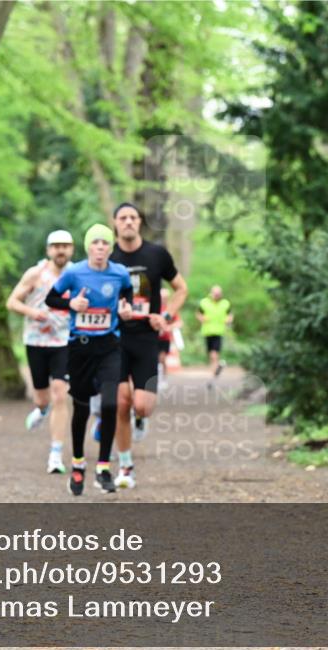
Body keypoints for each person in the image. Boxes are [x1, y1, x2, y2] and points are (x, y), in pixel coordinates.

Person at [45, 224, 133, 495]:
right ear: (88, 247)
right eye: (95, 243)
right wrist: (70, 305)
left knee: (110, 404)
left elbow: (127, 292)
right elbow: (51, 298)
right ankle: (79, 464)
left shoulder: (119, 273)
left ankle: (104, 468)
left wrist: (125, 307)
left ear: (110, 247)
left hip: (109, 347)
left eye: (105, 243)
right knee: (81, 408)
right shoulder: (74, 272)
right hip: (80, 348)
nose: (100, 248)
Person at [110, 203, 188, 489]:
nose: (128, 222)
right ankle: (126, 464)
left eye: (133, 217)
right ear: (115, 223)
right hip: (115, 338)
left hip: (146, 339)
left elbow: (182, 288)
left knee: (142, 407)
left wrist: (165, 317)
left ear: (140, 222)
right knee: (121, 402)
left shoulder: (156, 255)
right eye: (123, 218)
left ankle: (140, 419)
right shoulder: (107, 257)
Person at [6, 230, 75, 474]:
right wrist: (31, 312)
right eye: (56, 246)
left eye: (65, 246)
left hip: (65, 342)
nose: (60, 250)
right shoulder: (35, 274)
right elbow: (12, 301)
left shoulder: (77, 274)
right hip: (36, 341)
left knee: (60, 394)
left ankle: (56, 453)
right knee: (43, 397)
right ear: (48, 250)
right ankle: (41, 409)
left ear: (72, 249)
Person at [196, 285, 232, 385]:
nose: (216, 296)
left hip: (219, 332)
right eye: (215, 294)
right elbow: (198, 313)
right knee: (211, 355)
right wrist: (202, 318)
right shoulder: (204, 302)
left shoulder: (225, 303)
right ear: (211, 293)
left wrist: (228, 320)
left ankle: (213, 375)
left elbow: (230, 315)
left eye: (218, 294)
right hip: (207, 332)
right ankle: (216, 371)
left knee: (214, 353)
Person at [156, 288, 182, 392]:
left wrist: (168, 328)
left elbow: (179, 322)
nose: (163, 299)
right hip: (153, 339)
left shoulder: (170, 309)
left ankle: (163, 380)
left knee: (162, 359)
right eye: (162, 297)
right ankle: (156, 379)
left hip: (165, 338)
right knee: (154, 360)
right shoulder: (154, 307)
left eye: (165, 297)